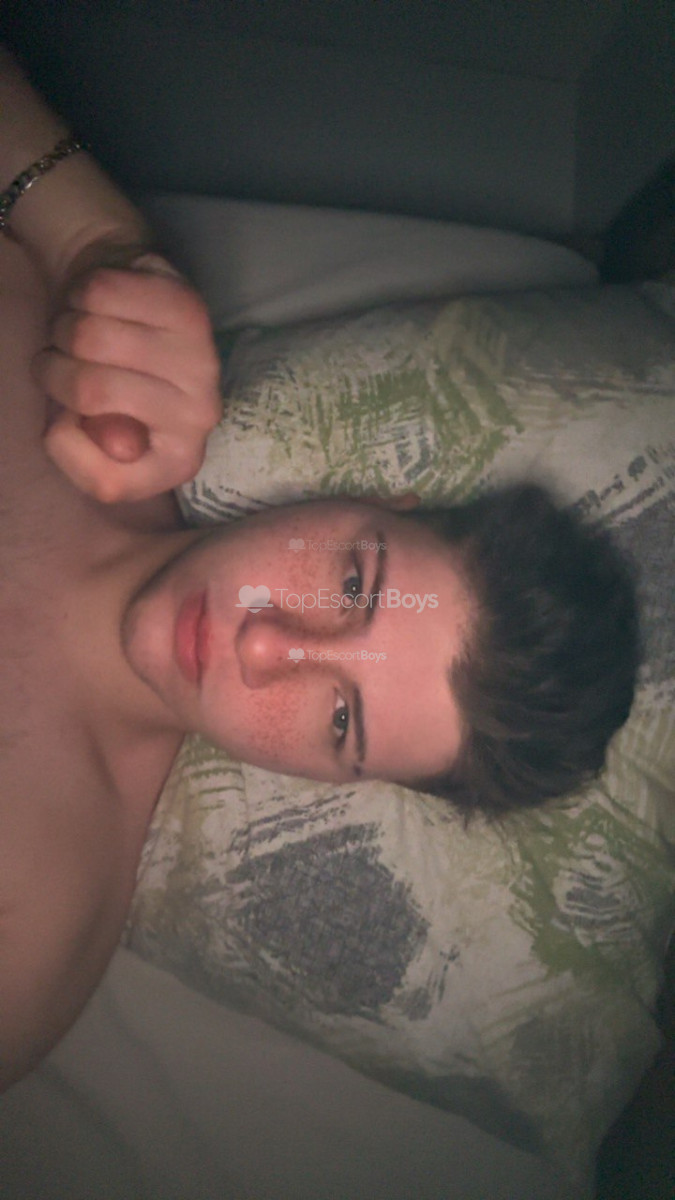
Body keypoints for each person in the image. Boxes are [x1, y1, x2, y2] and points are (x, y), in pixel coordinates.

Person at [0, 51, 638, 1092]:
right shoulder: (98, 339)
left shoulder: (32, 923)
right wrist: (89, 237)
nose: (265, 646)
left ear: (337, 782)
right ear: (374, 501)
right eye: (352, 587)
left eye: (340, 720)